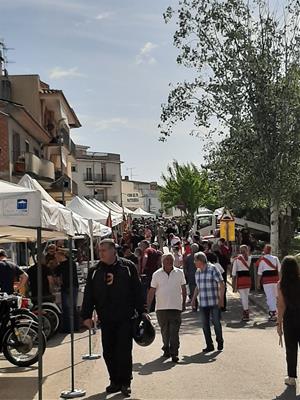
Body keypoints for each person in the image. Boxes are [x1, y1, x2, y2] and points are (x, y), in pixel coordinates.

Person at [81, 239, 146, 397]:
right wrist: (86, 315)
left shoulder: (127, 267)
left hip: (125, 317)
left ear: (113, 251)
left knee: (124, 351)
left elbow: (137, 290)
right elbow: (89, 294)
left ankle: (125, 382)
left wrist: (143, 311)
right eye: (99, 250)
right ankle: (114, 380)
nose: (100, 253)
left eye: (103, 250)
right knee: (108, 351)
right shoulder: (94, 270)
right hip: (106, 318)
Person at [147, 253, 186, 362]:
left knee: (174, 331)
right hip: (161, 308)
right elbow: (152, 291)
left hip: (175, 307)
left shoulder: (179, 273)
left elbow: (183, 288)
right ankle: (166, 348)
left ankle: (174, 353)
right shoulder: (156, 274)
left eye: (171, 259)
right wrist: (148, 306)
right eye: (166, 260)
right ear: (162, 262)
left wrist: (183, 304)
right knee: (165, 331)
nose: (169, 261)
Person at [192, 252, 225, 352]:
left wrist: (221, 299)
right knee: (205, 325)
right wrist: (193, 299)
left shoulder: (213, 269)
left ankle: (220, 341)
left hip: (214, 301)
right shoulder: (197, 272)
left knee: (216, 323)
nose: (194, 262)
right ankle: (209, 345)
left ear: (201, 261)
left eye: (195, 260)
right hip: (203, 303)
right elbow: (197, 287)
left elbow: (221, 283)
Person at [277, 256, 300, 386]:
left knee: (291, 349)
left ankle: (291, 378)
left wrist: (278, 323)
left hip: (290, 319)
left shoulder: (281, 284)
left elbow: (281, 306)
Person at [55, 249, 79, 333]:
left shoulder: (60, 266)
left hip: (66, 288)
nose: (55, 258)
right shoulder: (72, 263)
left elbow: (58, 280)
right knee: (72, 307)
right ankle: (75, 326)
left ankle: (67, 328)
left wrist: (59, 284)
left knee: (66, 308)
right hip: (74, 286)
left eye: (56, 256)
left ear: (60, 256)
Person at [257, 244, 281, 321]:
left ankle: (273, 314)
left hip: (267, 281)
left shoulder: (262, 259)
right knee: (276, 296)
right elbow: (279, 271)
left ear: (264, 250)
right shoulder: (276, 258)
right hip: (276, 280)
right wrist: (280, 280)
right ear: (270, 251)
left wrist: (258, 283)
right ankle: (276, 313)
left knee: (270, 297)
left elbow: (259, 273)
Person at [232, 245, 252, 321]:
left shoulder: (237, 260)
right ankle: (246, 311)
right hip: (248, 278)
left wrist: (234, 285)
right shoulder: (249, 258)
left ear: (240, 250)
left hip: (240, 279)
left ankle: (246, 313)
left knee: (243, 297)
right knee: (246, 296)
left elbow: (234, 274)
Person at [183, 243, 199, 311]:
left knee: (193, 292)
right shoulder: (201, 256)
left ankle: (194, 306)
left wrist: (186, 275)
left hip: (191, 276)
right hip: (200, 276)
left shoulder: (188, 257)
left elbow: (185, 268)